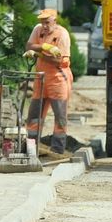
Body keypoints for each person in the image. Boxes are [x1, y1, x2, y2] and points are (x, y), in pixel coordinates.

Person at [24, 8, 71, 155]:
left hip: (58, 78)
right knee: (34, 116)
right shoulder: (38, 30)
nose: (44, 25)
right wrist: (45, 47)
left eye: (47, 22)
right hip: (41, 78)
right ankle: (31, 148)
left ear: (54, 21)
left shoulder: (62, 34)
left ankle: (57, 150)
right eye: (42, 22)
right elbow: (29, 45)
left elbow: (58, 60)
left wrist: (39, 54)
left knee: (60, 117)